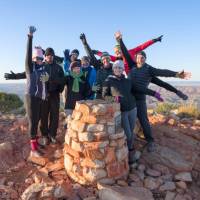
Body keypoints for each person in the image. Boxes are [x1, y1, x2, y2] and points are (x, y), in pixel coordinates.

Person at [115, 31, 191, 152]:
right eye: (138, 56)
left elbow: (163, 72)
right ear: (136, 58)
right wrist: (119, 40)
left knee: (143, 119)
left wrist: (177, 74)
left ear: (145, 59)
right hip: (128, 96)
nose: (140, 58)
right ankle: (124, 138)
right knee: (121, 117)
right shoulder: (132, 65)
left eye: (142, 57)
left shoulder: (149, 69)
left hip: (139, 98)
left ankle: (150, 140)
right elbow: (124, 52)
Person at [102, 60, 161, 164]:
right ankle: (127, 152)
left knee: (132, 132)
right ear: (113, 69)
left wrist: (154, 93)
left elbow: (139, 88)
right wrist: (114, 99)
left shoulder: (127, 81)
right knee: (128, 134)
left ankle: (129, 152)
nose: (118, 69)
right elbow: (104, 95)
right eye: (116, 67)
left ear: (123, 70)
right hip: (123, 111)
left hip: (133, 109)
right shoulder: (108, 81)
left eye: (120, 68)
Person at [24, 26, 49, 157]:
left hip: (39, 97)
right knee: (33, 122)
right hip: (31, 97)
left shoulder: (43, 69)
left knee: (37, 120)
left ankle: (35, 142)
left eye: (40, 59)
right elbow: (28, 55)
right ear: (33, 59)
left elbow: (45, 82)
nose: (38, 61)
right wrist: (30, 37)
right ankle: (33, 149)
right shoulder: (30, 68)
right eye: (36, 59)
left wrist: (47, 79)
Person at [93, 35, 163, 74]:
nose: (117, 53)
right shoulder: (117, 58)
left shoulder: (130, 52)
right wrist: (96, 52)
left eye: (119, 51)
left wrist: (154, 40)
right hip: (127, 76)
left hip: (136, 71)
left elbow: (142, 46)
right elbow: (106, 56)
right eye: (116, 52)